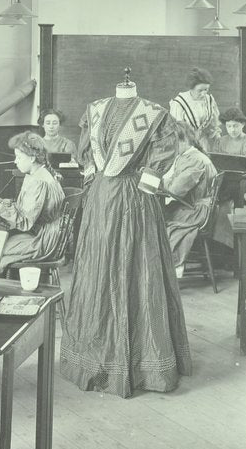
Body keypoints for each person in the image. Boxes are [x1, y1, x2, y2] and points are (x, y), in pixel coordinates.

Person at [60, 75, 192, 398]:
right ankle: (98, 358)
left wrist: (143, 181)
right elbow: (88, 157)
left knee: (135, 270)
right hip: (107, 198)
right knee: (102, 268)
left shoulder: (154, 114)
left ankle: (139, 362)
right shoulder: (97, 110)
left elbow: (162, 155)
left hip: (132, 199)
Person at [0, 132, 66, 271]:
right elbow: (23, 209)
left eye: (19, 157)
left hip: (42, 240)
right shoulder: (37, 173)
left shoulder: (39, 181)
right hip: (40, 232)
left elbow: (25, 223)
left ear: (32, 158)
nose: (15, 161)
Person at [162, 122, 218, 279]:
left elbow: (175, 190)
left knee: (157, 223)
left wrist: (158, 181)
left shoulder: (194, 160)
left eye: (173, 144)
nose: (170, 148)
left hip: (197, 211)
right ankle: (168, 267)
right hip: (194, 207)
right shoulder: (189, 157)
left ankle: (171, 268)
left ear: (184, 140)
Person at [169, 67, 221, 152]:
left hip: (204, 143)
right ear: (191, 88)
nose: (204, 93)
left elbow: (214, 126)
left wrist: (218, 140)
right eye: (200, 90)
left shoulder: (209, 101)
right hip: (186, 144)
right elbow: (177, 130)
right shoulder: (180, 103)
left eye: (206, 90)